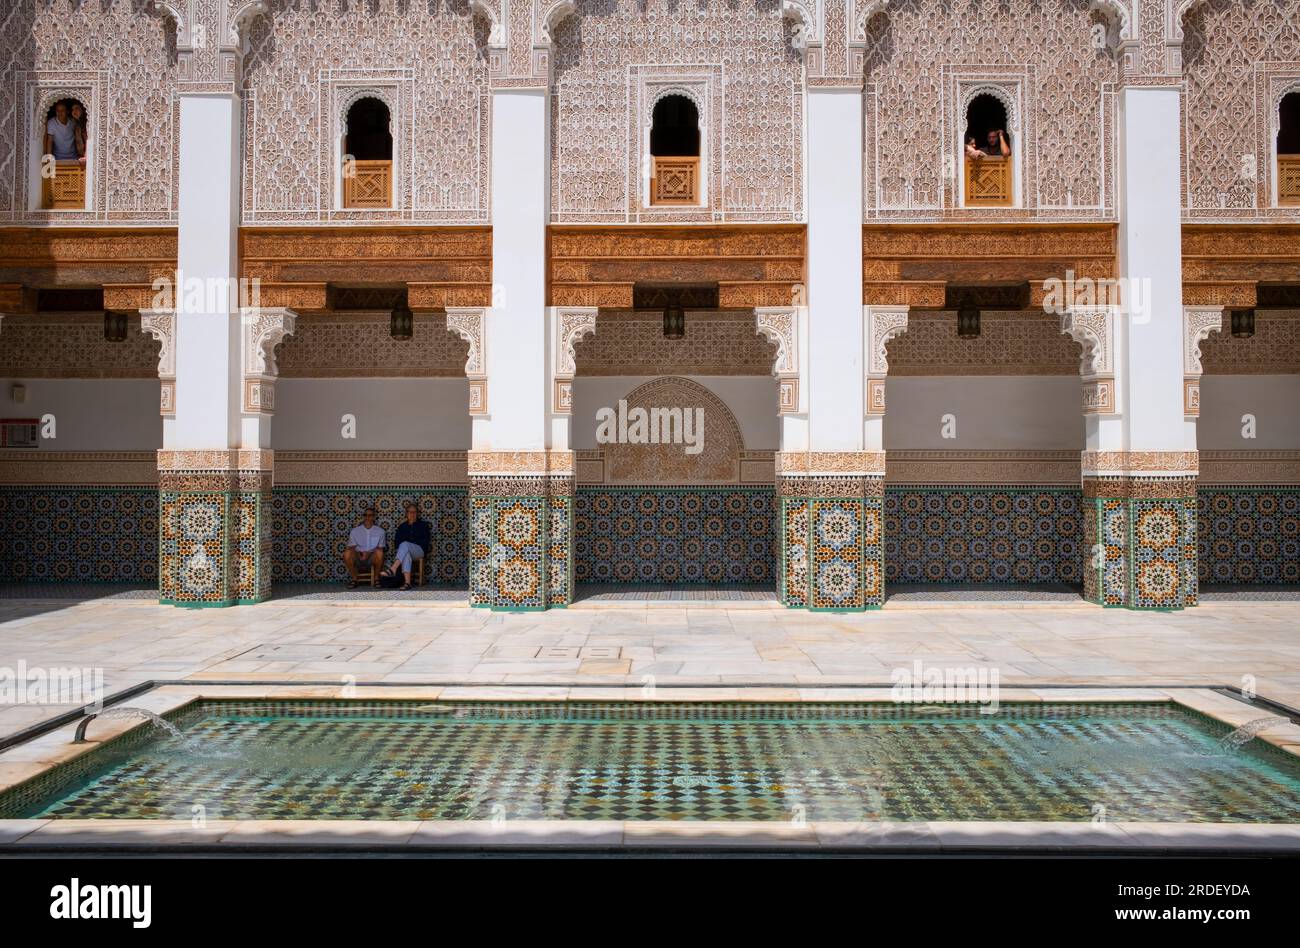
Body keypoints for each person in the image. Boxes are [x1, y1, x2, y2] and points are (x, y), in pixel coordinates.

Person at [383, 501, 430, 590]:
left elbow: (426, 540)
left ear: (417, 513)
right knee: (406, 553)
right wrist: (407, 546)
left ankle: (393, 569)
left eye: (414, 512)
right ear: (406, 513)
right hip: (406, 551)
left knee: (405, 545)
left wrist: (410, 544)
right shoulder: (402, 527)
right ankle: (407, 583)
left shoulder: (423, 525)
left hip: (419, 551)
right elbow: (397, 543)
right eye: (410, 512)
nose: (412, 514)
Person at [343, 507, 385, 589]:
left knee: (380, 553)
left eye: (370, 515)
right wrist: (359, 554)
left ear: (374, 517)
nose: (367, 517)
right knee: (347, 553)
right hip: (358, 556)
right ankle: (354, 579)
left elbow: (380, 549)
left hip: (372, 557)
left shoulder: (380, 532)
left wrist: (368, 554)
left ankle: (376, 579)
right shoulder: (355, 531)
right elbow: (351, 548)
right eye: (365, 515)